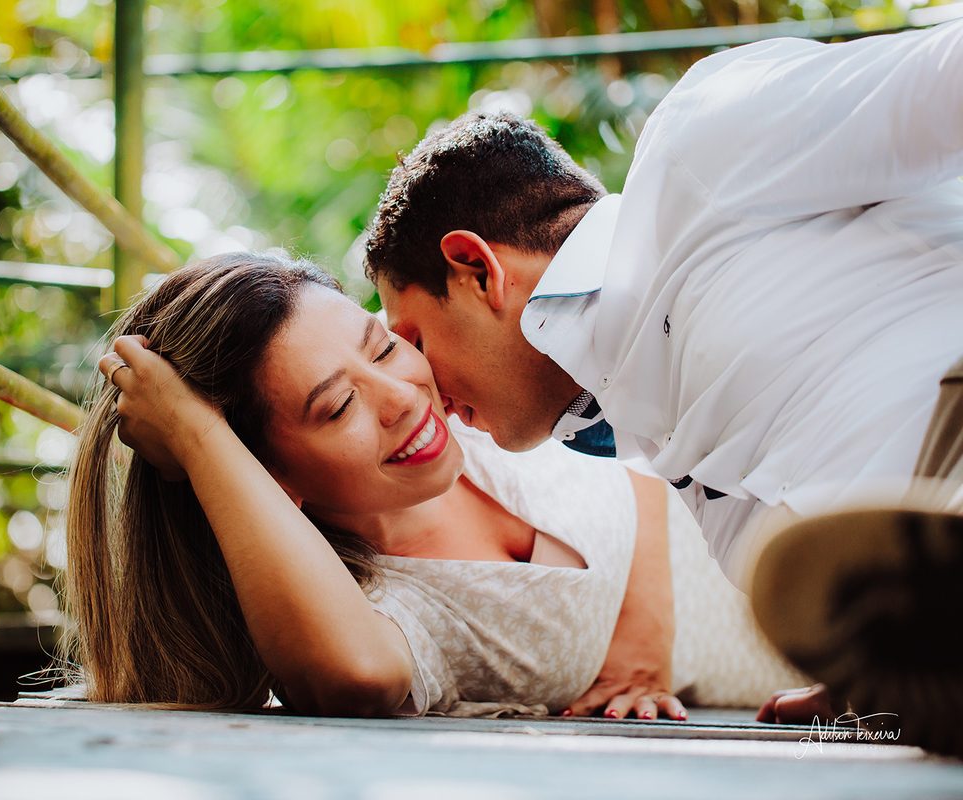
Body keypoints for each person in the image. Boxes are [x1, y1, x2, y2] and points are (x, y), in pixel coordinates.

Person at [364, 21, 963, 750]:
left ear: (476, 268)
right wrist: (868, 679)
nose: (426, 390)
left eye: (416, 340)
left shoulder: (702, 145)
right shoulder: (658, 443)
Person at [67, 251, 808, 719]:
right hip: (806, 670)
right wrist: (200, 438)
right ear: (269, 480)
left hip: (796, 495)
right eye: (337, 406)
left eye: (384, 346)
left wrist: (637, 644)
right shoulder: (391, 609)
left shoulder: (472, 396)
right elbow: (355, 677)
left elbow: (636, 443)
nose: (402, 396)